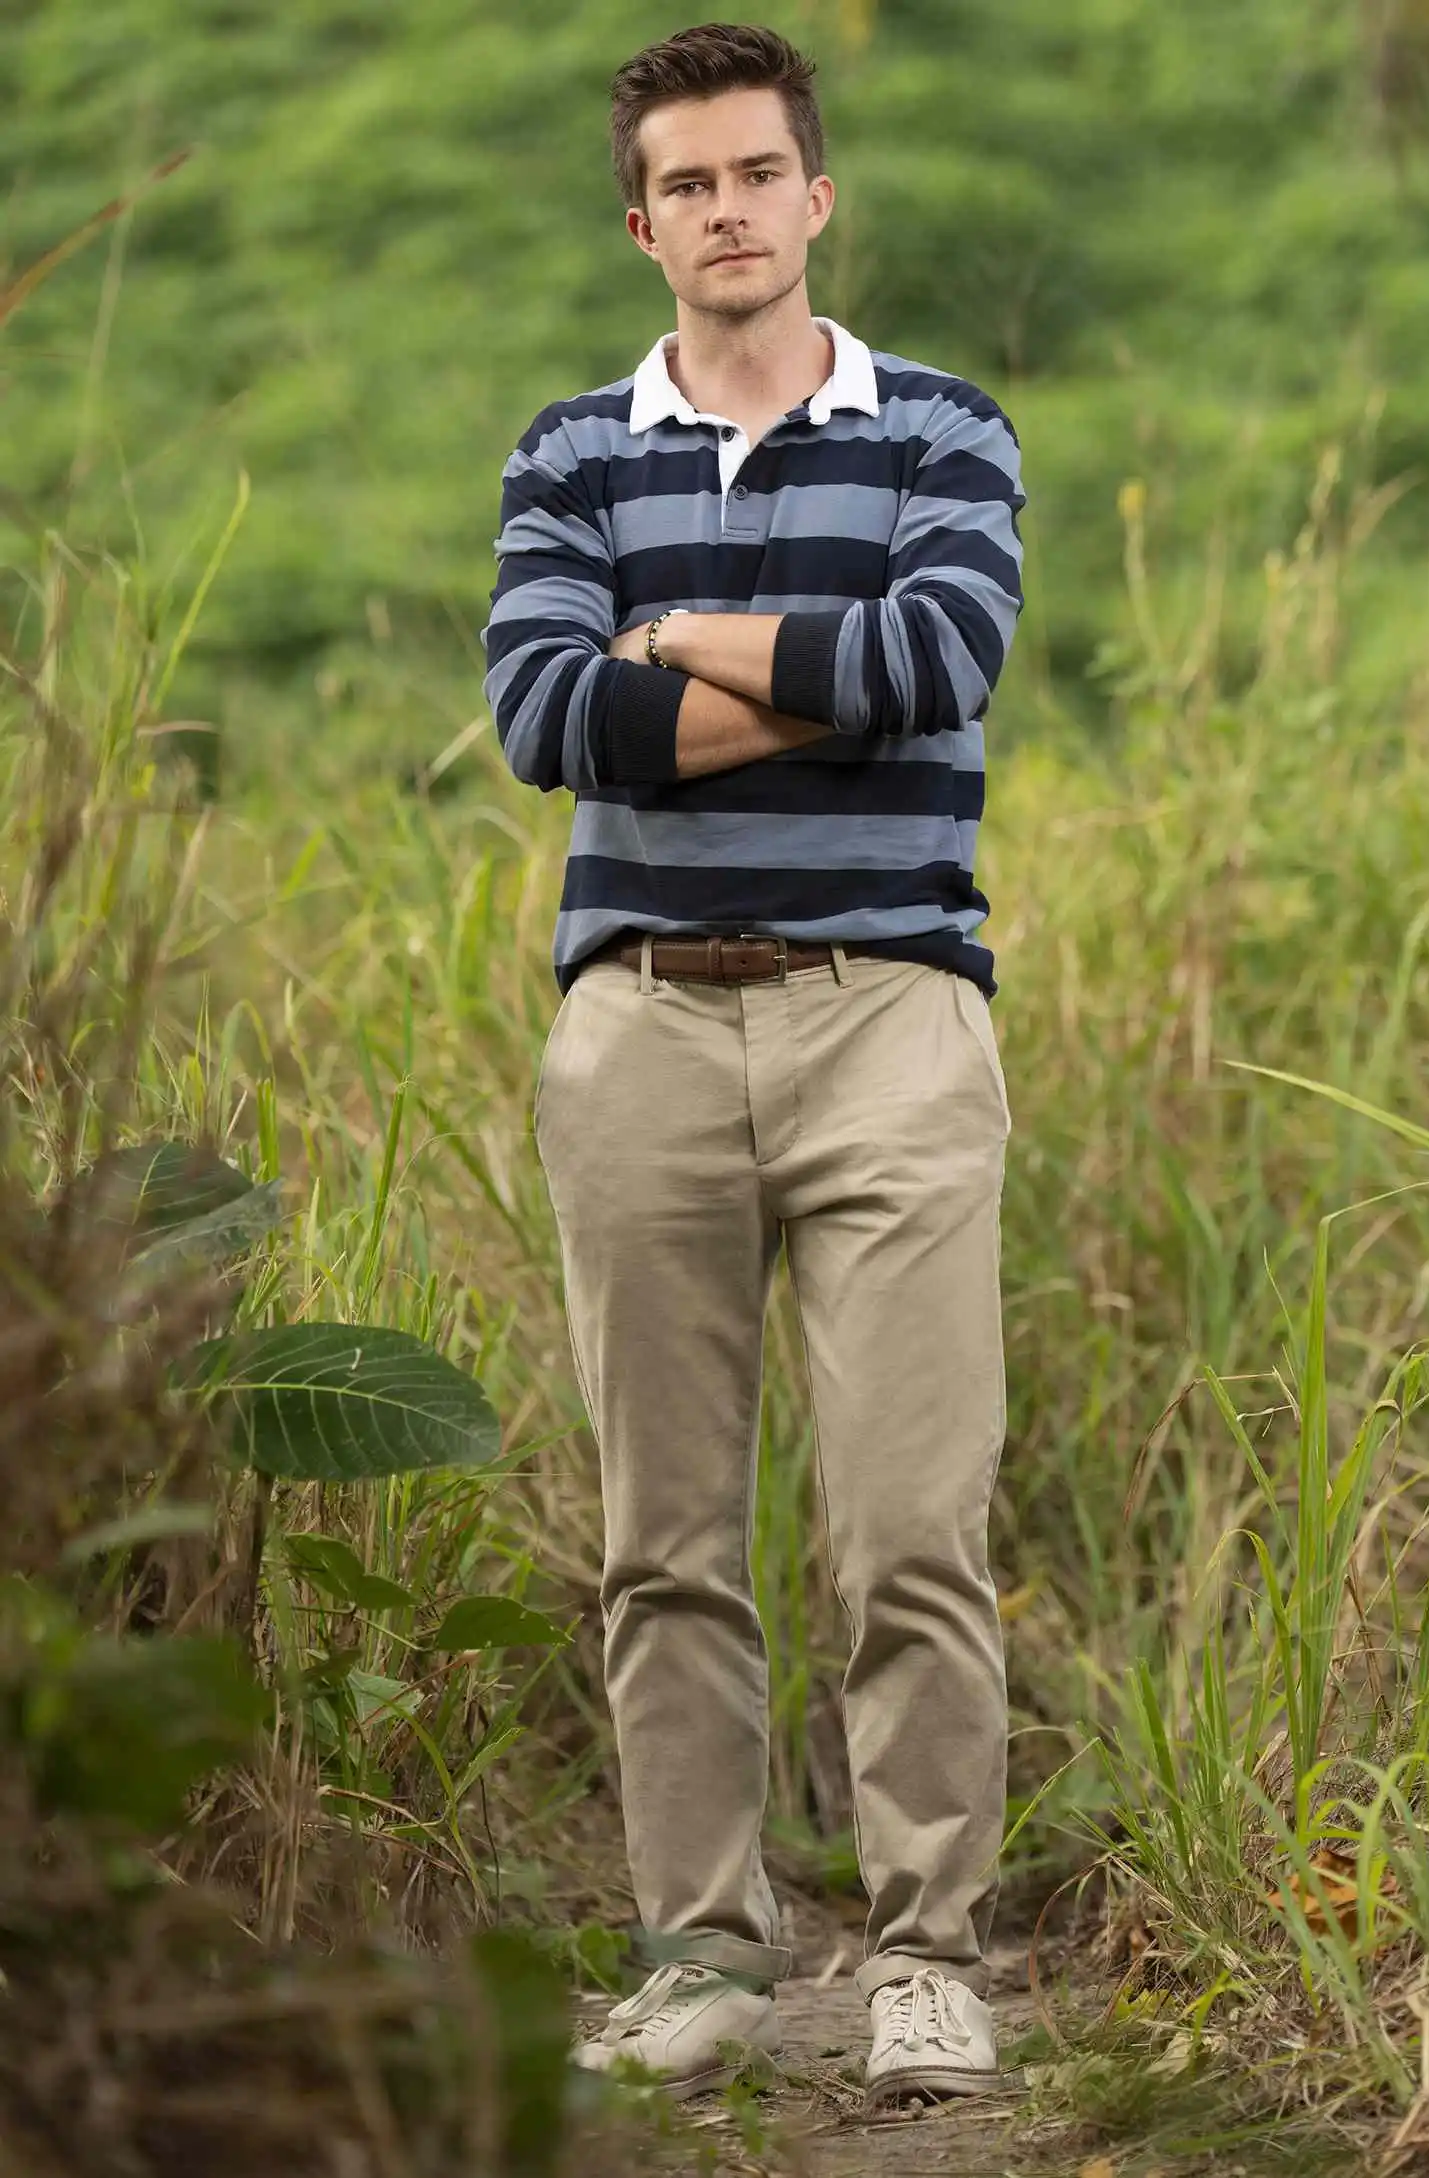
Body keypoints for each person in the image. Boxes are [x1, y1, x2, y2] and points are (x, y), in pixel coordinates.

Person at [482, 19, 1024, 2111]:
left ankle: (929, 1960)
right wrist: (820, 677)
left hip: (893, 1013)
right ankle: (701, 1957)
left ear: (818, 194)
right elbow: (550, 719)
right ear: (644, 224)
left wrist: (680, 638)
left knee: (910, 1529)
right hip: (639, 1029)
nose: (727, 210)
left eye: (757, 172)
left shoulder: (943, 427)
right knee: (666, 1540)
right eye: (687, 184)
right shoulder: (569, 454)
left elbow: (940, 658)